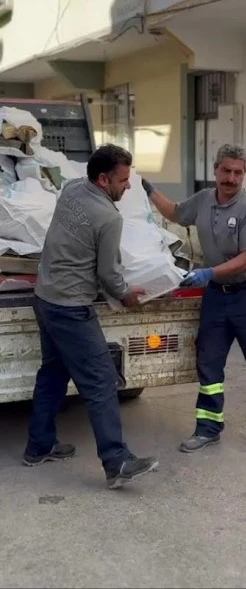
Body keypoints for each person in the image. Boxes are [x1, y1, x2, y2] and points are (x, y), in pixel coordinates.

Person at [141, 143, 246, 455]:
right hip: (216, 298)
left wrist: (208, 273)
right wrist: (149, 191)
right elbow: (175, 213)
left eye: (238, 173)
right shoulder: (203, 200)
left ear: (244, 175)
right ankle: (208, 429)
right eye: (226, 170)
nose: (231, 178)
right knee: (209, 365)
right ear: (215, 170)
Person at [23, 144, 158, 489]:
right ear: (103, 179)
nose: (128, 187)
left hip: (45, 297)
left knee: (52, 373)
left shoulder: (71, 189)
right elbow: (109, 276)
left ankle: (38, 447)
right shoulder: (109, 218)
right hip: (70, 308)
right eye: (123, 180)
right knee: (100, 383)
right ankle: (117, 461)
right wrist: (129, 297)